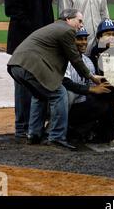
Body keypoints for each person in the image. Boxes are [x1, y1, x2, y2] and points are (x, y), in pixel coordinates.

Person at [7, 9, 103, 150]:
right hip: (30, 65)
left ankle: (34, 134)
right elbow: (75, 59)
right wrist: (91, 76)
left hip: (16, 65)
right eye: (79, 21)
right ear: (68, 19)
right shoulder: (67, 30)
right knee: (59, 94)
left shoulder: (53, 27)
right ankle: (57, 137)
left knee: (39, 95)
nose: (81, 25)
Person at [4, 0, 54, 140]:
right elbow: (12, 9)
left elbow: (48, 8)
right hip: (23, 40)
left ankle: (36, 125)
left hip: (41, 41)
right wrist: (34, 31)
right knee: (24, 84)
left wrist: (49, 33)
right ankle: (21, 127)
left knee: (40, 82)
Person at [63, 27, 114, 143]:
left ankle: (102, 135)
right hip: (63, 107)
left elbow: (95, 87)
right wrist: (91, 90)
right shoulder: (63, 60)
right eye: (79, 39)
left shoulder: (87, 61)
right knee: (70, 94)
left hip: (80, 104)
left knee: (106, 102)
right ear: (71, 41)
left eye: (85, 39)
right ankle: (65, 129)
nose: (83, 42)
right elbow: (66, 84)